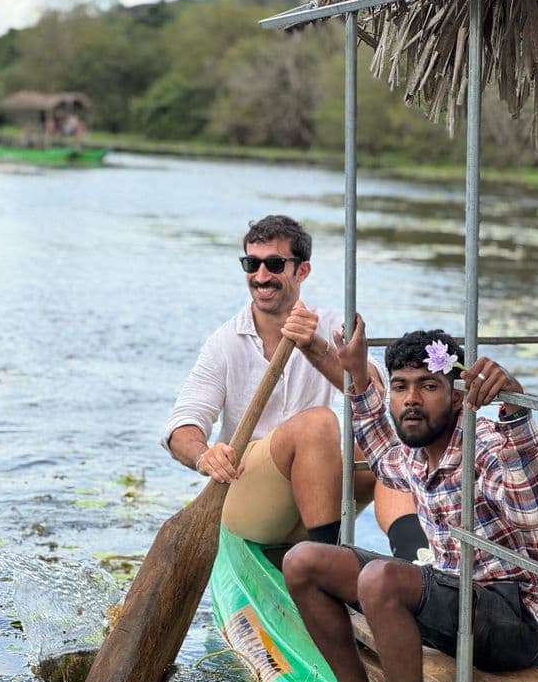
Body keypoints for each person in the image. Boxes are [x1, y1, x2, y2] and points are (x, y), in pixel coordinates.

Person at [282, 318, 538, 682]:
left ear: (457, 395)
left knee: (382, 579)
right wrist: (356, 377)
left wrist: (516, 412)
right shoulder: (415, 456)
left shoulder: (489, 449)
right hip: (457, 599)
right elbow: (378, 447)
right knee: (303, 560)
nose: (411, 399)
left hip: (518, 619)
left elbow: (530, 511)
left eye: (428, 386)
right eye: (400, 387)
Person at [162, 214, 416, 547]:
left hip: (313, 489)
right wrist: (203, 455)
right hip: (248, 495)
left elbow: (376, 391)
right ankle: (327, 559)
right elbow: (181, 426)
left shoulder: (331, 325)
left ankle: (418, 559)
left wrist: (315, 347)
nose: (261, 276)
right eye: (252, 264)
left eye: (275, 264)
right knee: (317, 424)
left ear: (302, 270)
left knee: (384, 448)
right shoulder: (223, 342)